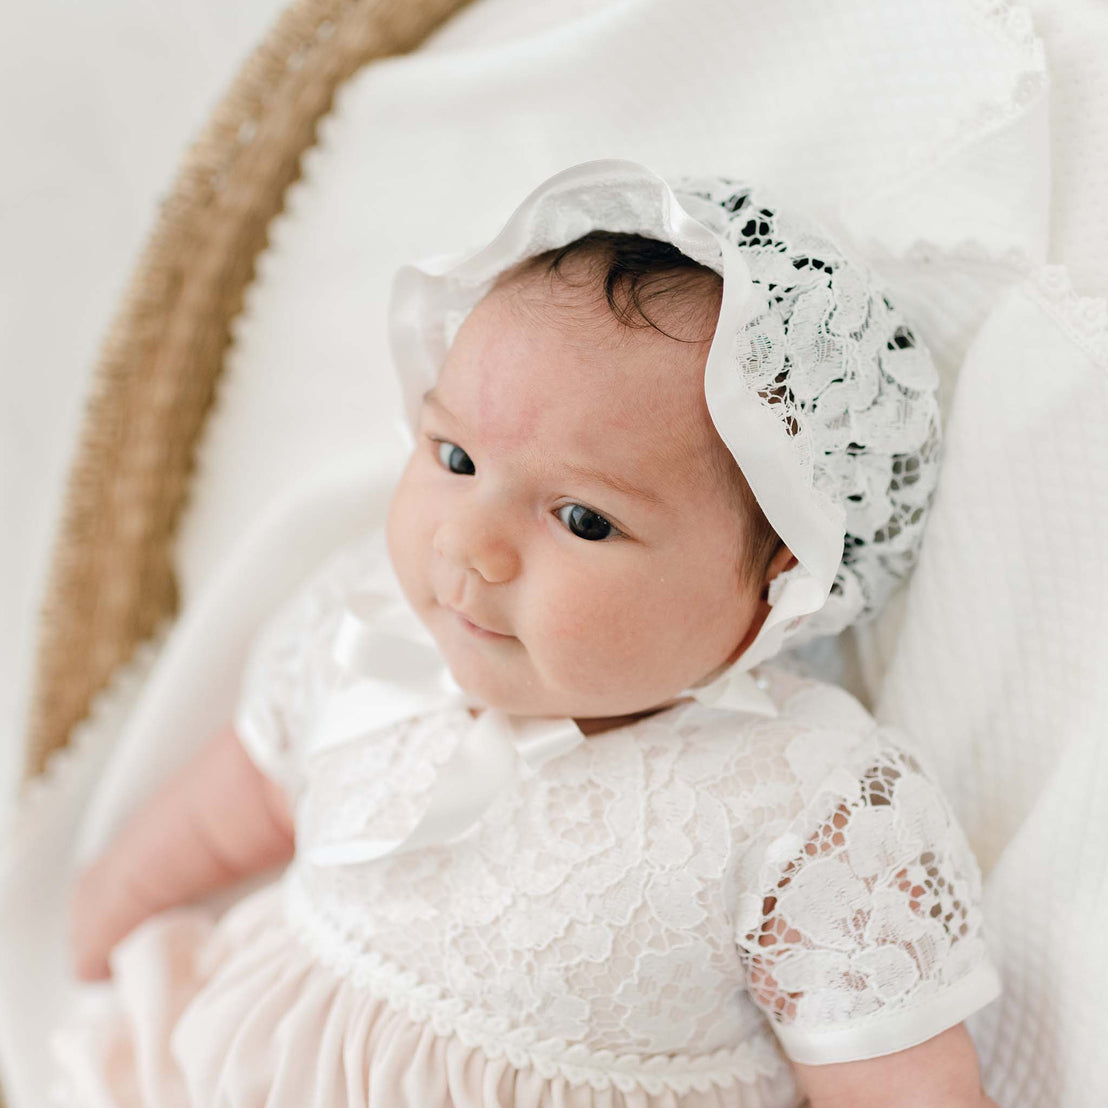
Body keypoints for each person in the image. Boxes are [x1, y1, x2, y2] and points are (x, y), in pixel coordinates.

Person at [56, 160, 1001, 1107]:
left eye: (582, 520)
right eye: (456, 457)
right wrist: (108, 910)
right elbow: (241, 802)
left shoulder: (804, 804)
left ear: (778, 582)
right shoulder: (371, 634)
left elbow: (896, 1080)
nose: (469, 543)